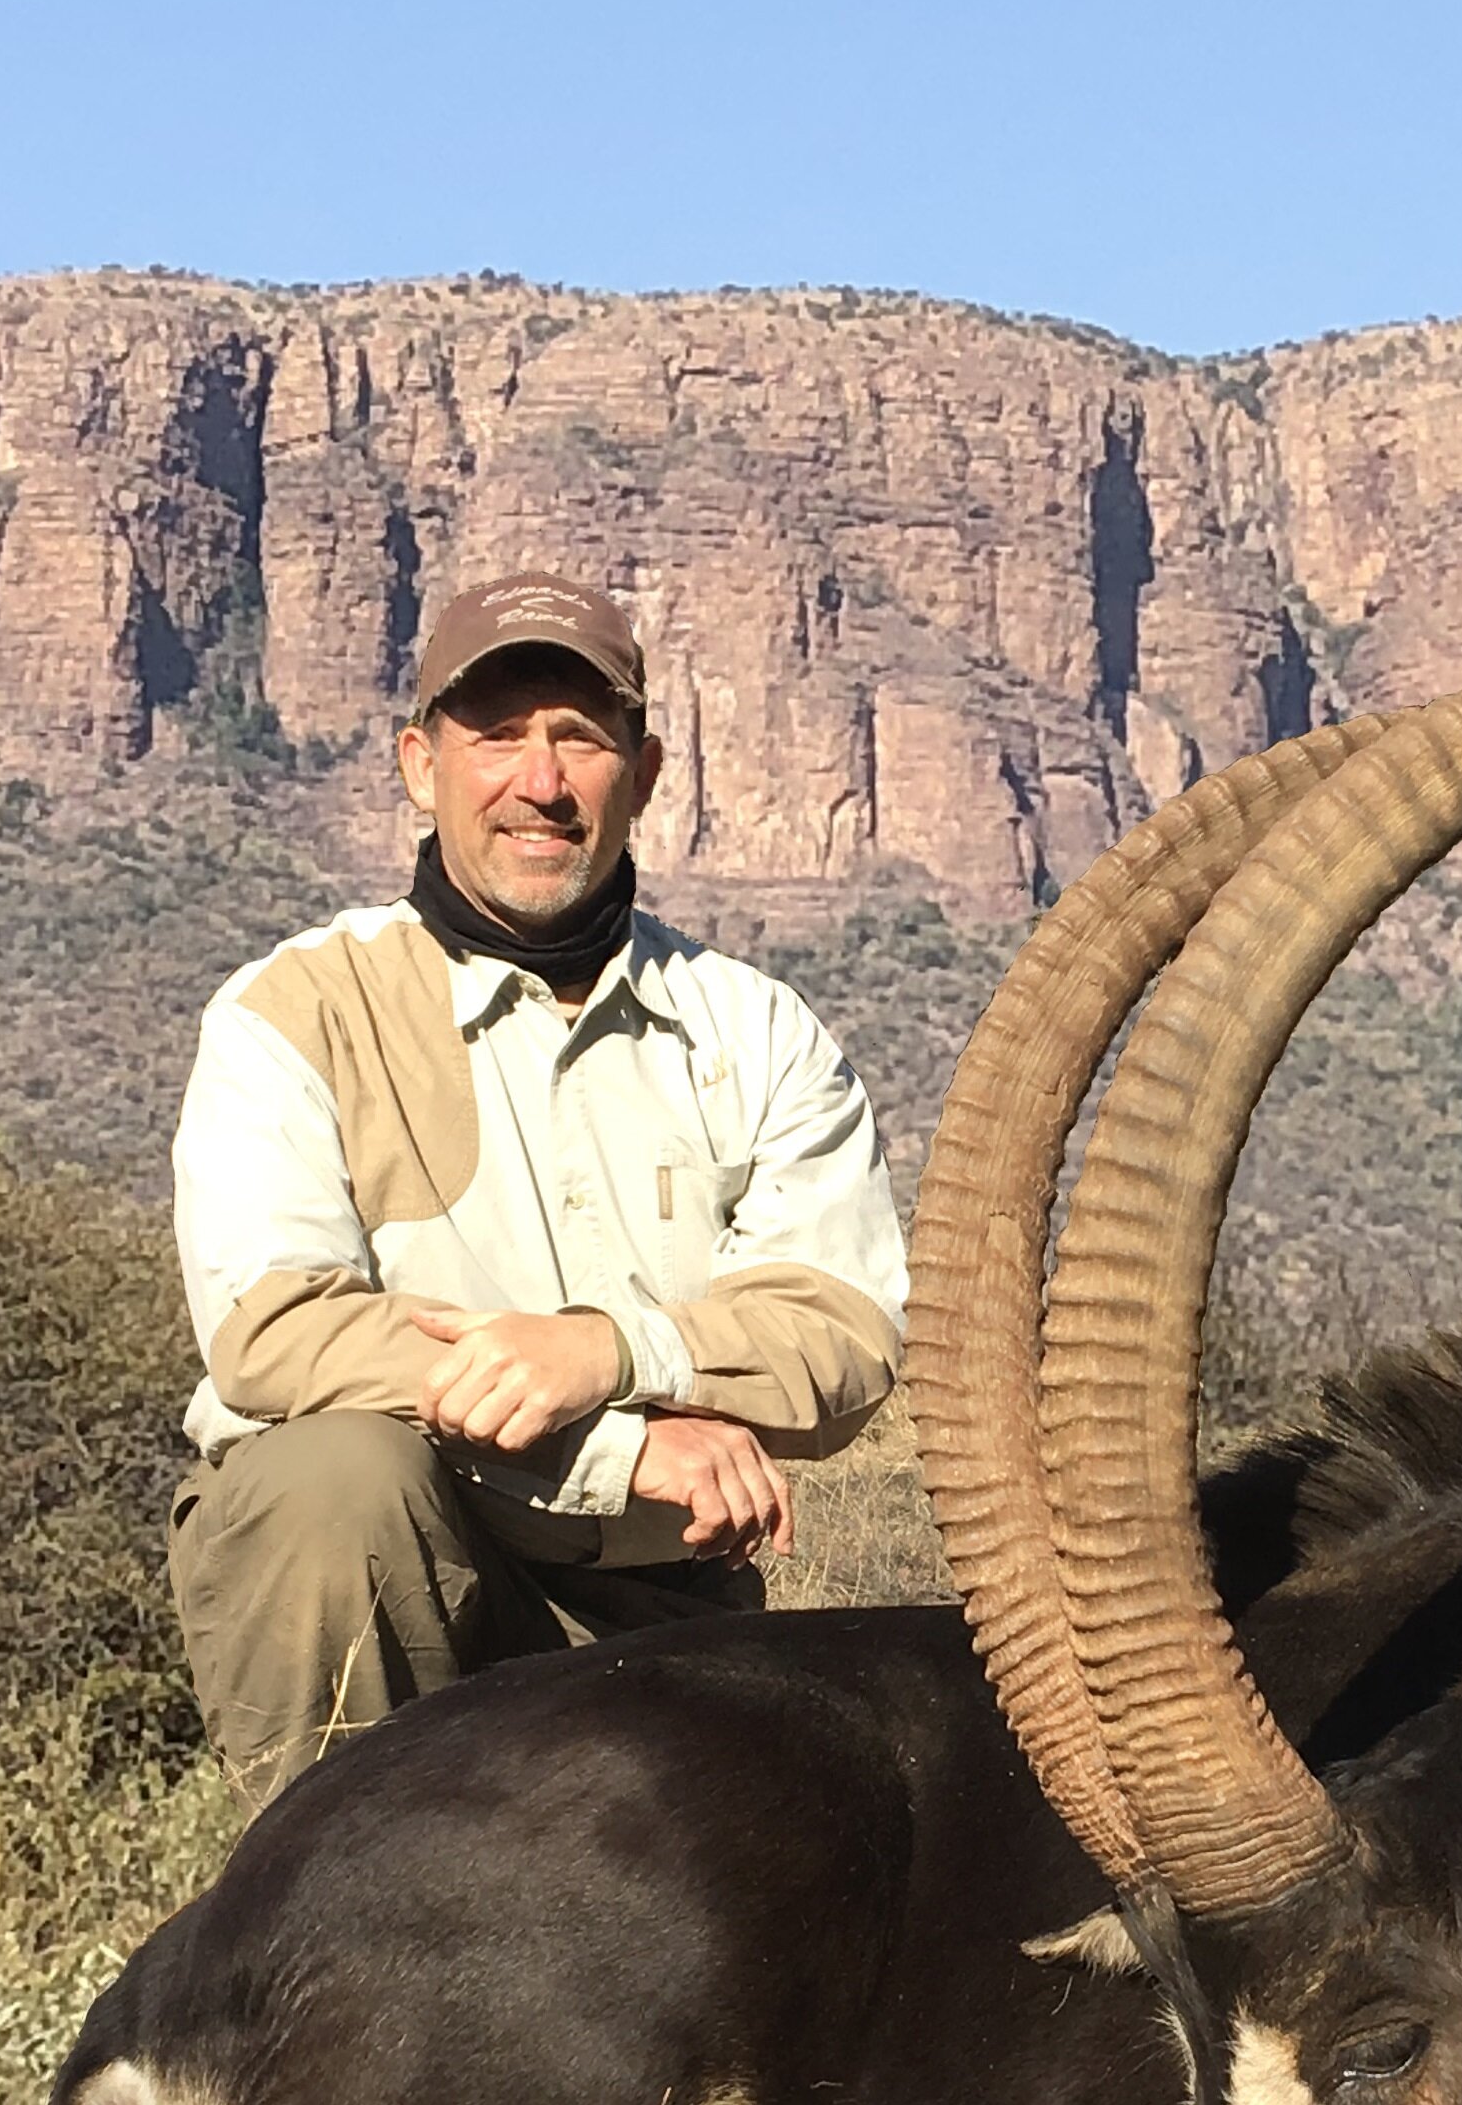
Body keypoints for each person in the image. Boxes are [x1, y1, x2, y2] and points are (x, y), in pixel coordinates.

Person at [166, 570, 907, 1805]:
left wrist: (610, 1350)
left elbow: (842, 1328)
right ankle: (329, 1909)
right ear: (420, 767)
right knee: (330, 1480)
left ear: (648, 772)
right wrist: (625, 1446)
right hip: (396, 1569)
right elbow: (279, 1338)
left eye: (580, 737)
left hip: (656, 1601)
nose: (541, 782)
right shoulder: (290, 1013)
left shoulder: (756, 1030)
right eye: (496, 736)